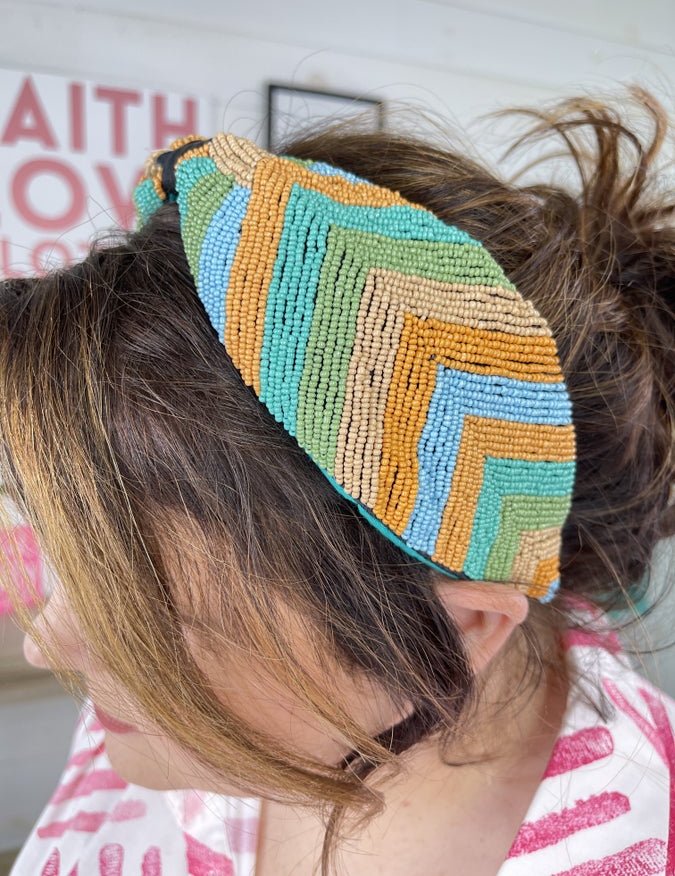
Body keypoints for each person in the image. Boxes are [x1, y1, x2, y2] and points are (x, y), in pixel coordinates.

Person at [1, 88, 673, 876]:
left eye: (152, 609)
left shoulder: (629, 843)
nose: (49, 643)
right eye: (78, 557)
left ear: (459, 631)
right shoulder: (148, 705)